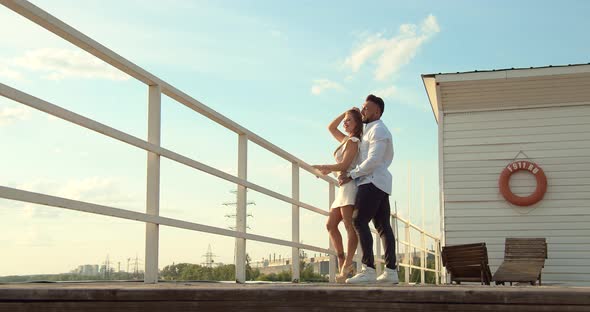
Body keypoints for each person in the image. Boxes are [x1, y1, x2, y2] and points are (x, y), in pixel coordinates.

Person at [340, 94, 398, 284]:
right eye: (363, 107)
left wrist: (352, 174)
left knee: (358, 220)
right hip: (377, 182)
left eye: (366, 108)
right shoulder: (370, 130)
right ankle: (390, 272)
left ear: (377, 111)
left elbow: (373, 160)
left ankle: (368, 270)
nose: (362, 110)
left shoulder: (378, 130)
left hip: (372, 181)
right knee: (382, 226)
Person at [313, 108, 363, 283]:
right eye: (345, 120)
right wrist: (345, 112)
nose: (345, 123)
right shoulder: (345, 140)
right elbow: (331, 128)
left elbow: (344, 165)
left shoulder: (354, 141)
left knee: (349, 226)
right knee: (331, 224)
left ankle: (347, 265)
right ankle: (342, 259)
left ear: (357, 123)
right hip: (342, 188)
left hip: (350, 186)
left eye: (349, 120)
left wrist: (325, 167)